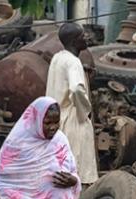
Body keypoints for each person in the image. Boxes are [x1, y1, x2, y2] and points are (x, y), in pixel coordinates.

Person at [46, 23, 98, 186]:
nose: (87, 38)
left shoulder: (57, 58)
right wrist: (85, 110)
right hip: (74, 122)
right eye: (83, 36)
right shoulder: (73, 62)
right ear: (75, 41)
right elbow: (76, 89)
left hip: (58, 121)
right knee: (77, 175)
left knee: (59, 172)